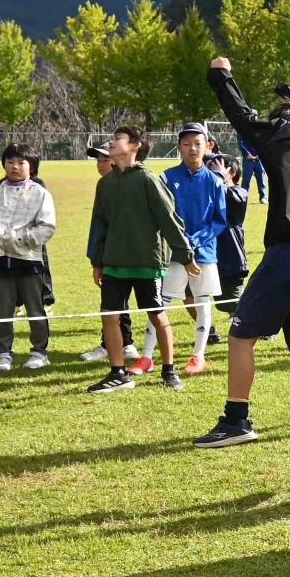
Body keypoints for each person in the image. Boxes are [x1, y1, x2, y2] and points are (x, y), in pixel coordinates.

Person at [197, 55, 290, 457]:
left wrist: (221, 75)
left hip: (288, 254)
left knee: (240, 335)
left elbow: (239, 114)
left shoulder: (278, 137)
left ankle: (236, 420)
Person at [85, 127, 194, 394]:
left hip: (147, 262)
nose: (111, 142)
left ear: (134, 146)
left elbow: (169, 219)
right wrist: (97, 262)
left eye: (117, 139)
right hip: (114, 263)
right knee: (109, 316)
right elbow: (100, 225)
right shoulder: (105, 184)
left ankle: (169, 369)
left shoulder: (148, 179)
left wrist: (185, 255)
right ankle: (117, 372)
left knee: (157, 314)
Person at [144, 124, 229, 376]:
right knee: (162, 301)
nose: (192, 148)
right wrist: (181, 242)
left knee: (202, 302)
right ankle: (146, 356)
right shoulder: (167, 177)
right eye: (186, 144)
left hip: (204, 253)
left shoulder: (215, 181)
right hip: (173, 252)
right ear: (179, 147)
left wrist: (195, 241)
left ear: (207, 146)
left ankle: (198, 355)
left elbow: (219, 220)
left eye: (198, 143)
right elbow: (162, 215)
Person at [0, 142, 57, 372]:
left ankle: (39, 351)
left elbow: (47, 226)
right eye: (10, 161)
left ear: (32, 166)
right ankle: (3, 353)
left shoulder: (40, 194)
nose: (15, 166)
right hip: (0, 261)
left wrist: (21, 239)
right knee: (2, 310)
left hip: (29, 261)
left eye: (21, 162)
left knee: (35, 308)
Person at [79, 142, 135, 362]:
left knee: (117, 301)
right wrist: (96, 258)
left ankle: (124, 344)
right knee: (114, 301)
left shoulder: (124, 185)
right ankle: (117, 343)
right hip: (108, 253)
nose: (100, 164)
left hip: (123, 254)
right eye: (98, 160)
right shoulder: (104, 185)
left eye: (105, 159)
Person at [210, 154, 251, 314]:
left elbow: (232, 197)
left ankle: (253, 324)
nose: (212, 174)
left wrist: (220, 179)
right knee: (223, 304)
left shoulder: (239, 192)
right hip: (213, 256)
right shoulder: (213, 192)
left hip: (231, 257)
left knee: (235, 305)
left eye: (215, 169)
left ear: (232, 172)